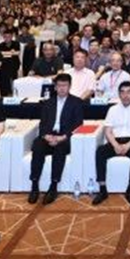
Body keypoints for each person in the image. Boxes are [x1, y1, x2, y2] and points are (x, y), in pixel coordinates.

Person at [29, 74, 85, 205]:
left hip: (65, 137)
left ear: (69, 86)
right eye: (59, 85)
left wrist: (63, 137)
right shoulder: (48, 102)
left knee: (60, 150)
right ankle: (34, 185)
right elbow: (42, 124)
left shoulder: (76, 102)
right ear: (55, 87)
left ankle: (53, 186)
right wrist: (46, 136)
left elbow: (78, 125)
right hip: (49, 136)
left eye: (65, 85)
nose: (62, 88)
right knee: (37, 146)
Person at [92, 81, 130, 206]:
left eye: (129, 92)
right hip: (115, 140)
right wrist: (115, 145)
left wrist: (129, 144)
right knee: (100, 151)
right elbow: (108, 131)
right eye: (122, 92)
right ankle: (102, 189)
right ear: (119, 94)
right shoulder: (112, 110)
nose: (125, 95)